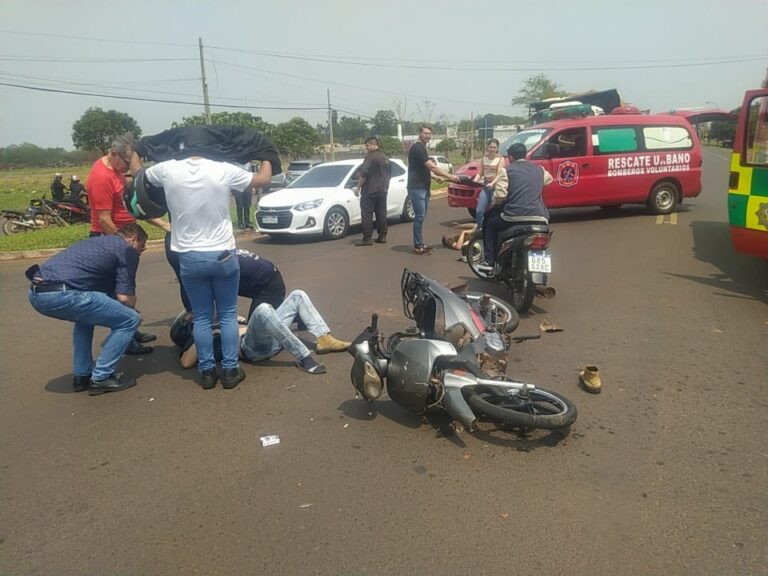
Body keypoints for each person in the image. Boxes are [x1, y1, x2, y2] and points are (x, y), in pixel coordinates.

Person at [145, 155, 272, 390]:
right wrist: (265, 155)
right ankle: (231, 371)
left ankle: (206, 373)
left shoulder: (168, 169)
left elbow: (141, 175)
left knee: (202, 316)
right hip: (222, 253)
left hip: (190, 256)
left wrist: (133, 156)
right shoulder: (222, 168)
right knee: (227, 314)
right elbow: (263, 179)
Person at [25, 224, 148, 395]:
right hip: (64, 293)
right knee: (129, 320)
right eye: (142, 246)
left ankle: (81, 375)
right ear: (133, 239)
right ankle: (102, 377)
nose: (142, 250)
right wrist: (132, 313)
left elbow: (108, 293)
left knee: (85, 320)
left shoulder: (99, 242)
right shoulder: (127, 250)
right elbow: (124, 297)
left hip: (37, 293)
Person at [86, 134, 167, 354]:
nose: (128, 166)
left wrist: (164, 225)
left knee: (127, 287)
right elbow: (104, 220)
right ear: (113, 154)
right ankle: (126, 340)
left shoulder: (117, 171)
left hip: (126, 236)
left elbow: (132, 207)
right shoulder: (101, 177)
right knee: (118, 293)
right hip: (111, 240)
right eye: (126, 161)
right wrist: (125, 248)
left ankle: (131, 330)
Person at [176, 290, 349, 379]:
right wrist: (212, 332)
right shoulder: (201, 332)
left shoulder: (225, 317)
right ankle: (304, 357)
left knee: (297, 295)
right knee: (263, 309)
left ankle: (324, 338)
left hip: (270, 335)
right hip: (252, 349)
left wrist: (237, 321)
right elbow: (186, 362)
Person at [480, 143, 553, 273]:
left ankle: (489, 261)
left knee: (490, 223)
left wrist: (495, 203)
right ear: (525, 155)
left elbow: (500, 196)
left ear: (510, 157)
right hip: (540, 217)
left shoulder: (507, 170)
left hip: (514, 216)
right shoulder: (540, 169)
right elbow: (549, 180)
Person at [406, 125, 460, 254]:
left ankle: (420, 244)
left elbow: (423, 169)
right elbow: (432, 167)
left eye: (430, 133)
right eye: (426, 133)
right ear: (420, 133)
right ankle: (418, 246)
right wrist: (450, 176)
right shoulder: (417, 148)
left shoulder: (422, 148)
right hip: (417, 187)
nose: (428, 136)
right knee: (419, 217)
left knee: (422, 216)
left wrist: (435, 178)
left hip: (423, 187)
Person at [355, 136, 391, 246]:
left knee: (367, 214)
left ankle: (367, 238)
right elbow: (389, 174)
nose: (366, 148)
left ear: (374, 145)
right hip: (383, 189)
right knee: (381, 213)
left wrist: (358, 187)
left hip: (370, 190)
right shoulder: (385, 157)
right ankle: (382, 236)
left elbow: (364, 174)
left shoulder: (370, 157)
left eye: (367, 145)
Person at [472, 138, 508, 230]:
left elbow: (500, 174)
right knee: (479, 211)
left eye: (494, 147)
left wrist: (492, 183)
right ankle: (482, 228)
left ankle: (493, 229)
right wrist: (474, 181)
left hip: (496, 187)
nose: (492, 149)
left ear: (497, 149)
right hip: (485, 186)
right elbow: (480, 173)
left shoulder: (500, 159)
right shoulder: (484, 159)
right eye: (490, 147)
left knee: (494, 211)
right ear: (487, 148)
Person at [232, 163, 254, 229]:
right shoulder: (235, 164)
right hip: (237, 187)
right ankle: (240, 223)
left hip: (247, 186)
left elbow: (251, 176)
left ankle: (247, 222)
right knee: (240, 205)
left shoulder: (248, 164)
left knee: (247, 205)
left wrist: (252, 187)